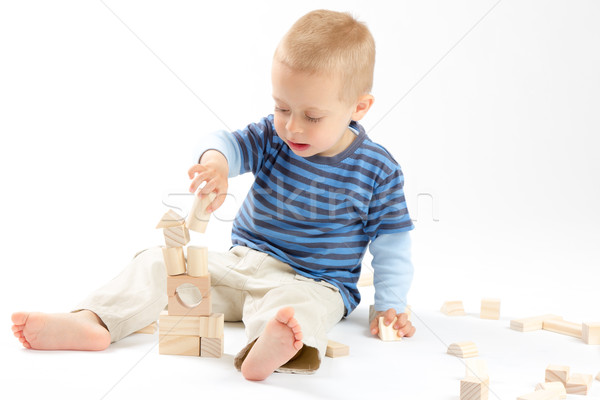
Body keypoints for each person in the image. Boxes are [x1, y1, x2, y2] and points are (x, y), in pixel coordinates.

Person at [11, 9, 415, 381]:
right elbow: (225, 142)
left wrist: (389, 306)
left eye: (311, 116)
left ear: (359, 107)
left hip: (316, 282)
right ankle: (95, 319)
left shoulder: (378, 169)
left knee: (298, 310)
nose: (291, 127)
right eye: (281, 107)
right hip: (242, 263)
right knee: (158, 263)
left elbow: (392, 245)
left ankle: (270, 345)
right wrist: (217, 164)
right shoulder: (275, 138)